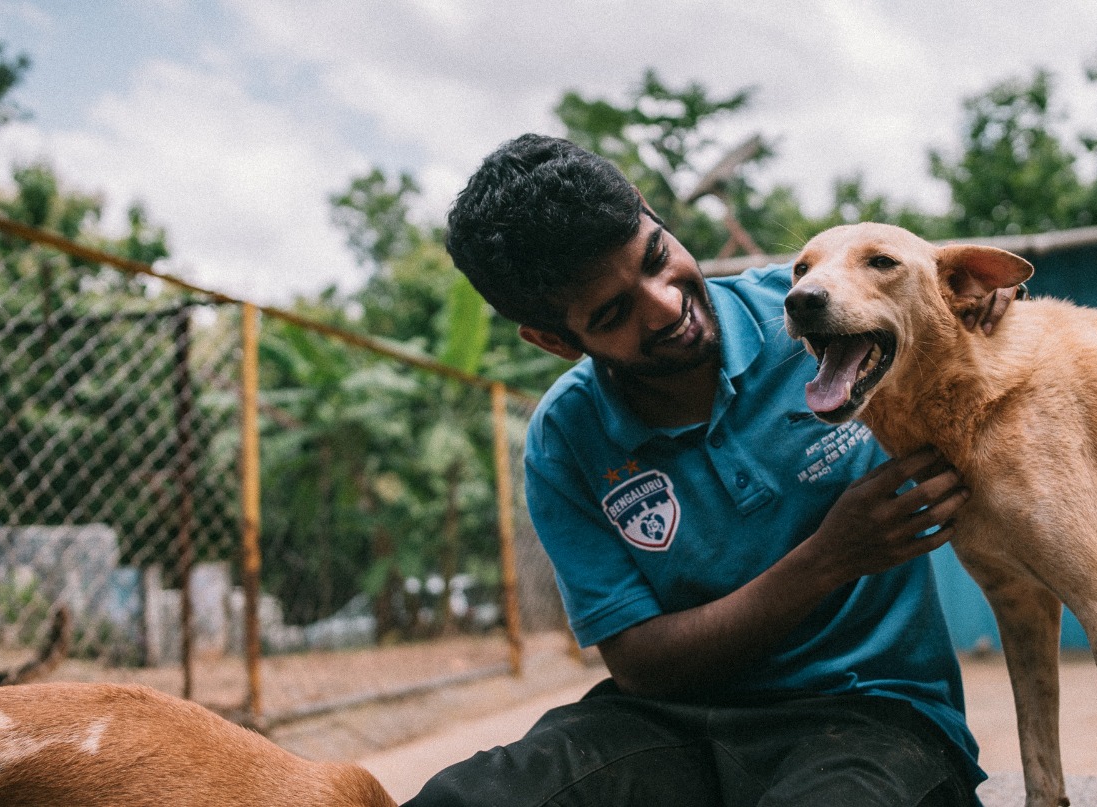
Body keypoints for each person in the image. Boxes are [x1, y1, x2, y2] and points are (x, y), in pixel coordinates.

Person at [412, 133, 1015, 807]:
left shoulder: (827, 314)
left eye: (656, 257)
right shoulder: (564, 438)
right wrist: (831, 556)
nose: (665, 304)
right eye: (614, 312)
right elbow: (642, 664)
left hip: (873, 715)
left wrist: (986, 306)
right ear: (556, 340)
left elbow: (959, 313)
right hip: (673, 726)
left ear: (651, 212)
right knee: (464, 798)